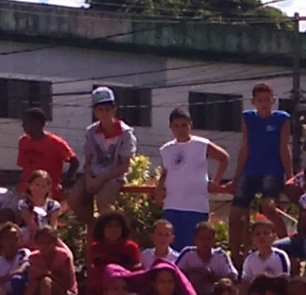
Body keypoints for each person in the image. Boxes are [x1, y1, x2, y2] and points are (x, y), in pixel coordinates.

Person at [154, 106, 231, 248]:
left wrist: (215, 182)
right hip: (172, 205)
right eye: (176, 126)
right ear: (171, 127)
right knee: (173, 247)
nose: (180, 129)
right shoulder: (166, 149)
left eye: (184, 125)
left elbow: (224, 158)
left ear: (191, 125)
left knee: (194, 248)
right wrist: (159, 188)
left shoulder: (201, 145)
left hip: (195, 206)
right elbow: (165, 172)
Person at [232, 82, 293, 261]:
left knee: (268, 206)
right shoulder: (248, 118)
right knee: (236, 213)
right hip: (251, 170)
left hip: (272, 170)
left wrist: (290, 176)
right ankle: (235, 257)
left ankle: (289, 248)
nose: (264, 103)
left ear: (273, 100)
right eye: (260, 100)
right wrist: (237, 176)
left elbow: (284, 148)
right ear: (254, 102)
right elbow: (245, 147)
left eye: (267, 99)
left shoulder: (282, 119)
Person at [72, 87, 137, 222]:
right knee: (74, 198)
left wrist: (100, 179)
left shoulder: (125, 134)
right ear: (95, 112)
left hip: (114, 176)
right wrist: (89, 178)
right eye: (100, 109)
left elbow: (124, 166)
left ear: (114, 110)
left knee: (103, 201)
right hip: (93, 174)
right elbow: (88, 160)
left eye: (107, 109)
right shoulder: (91, 132)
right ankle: (91, 226)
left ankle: (109, 230)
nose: (104, 113)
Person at [17, 107, 79, 201]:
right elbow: (24, 167)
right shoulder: (23, 141)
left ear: (37, 123)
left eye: (26, 122)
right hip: (26, 190)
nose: (23, 125)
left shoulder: (56, 143)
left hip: (48, 192)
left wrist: (63, 183)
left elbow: (74, 162)